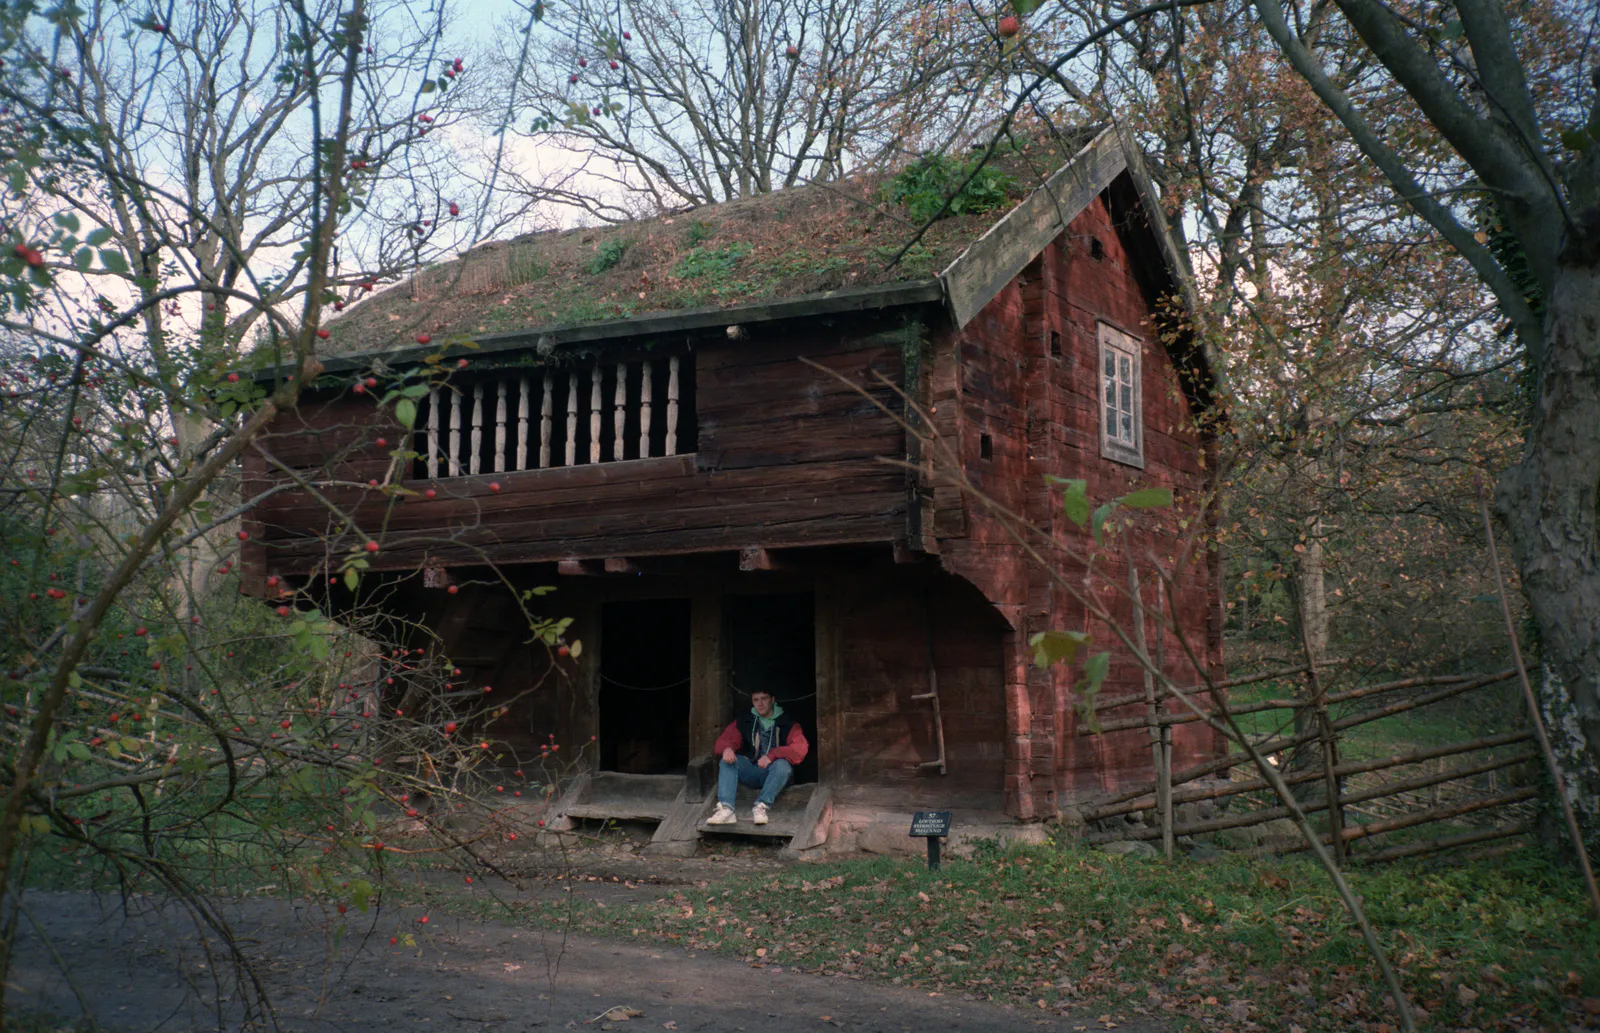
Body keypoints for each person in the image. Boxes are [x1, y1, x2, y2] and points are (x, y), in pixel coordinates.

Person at [706, 690, 808, 825]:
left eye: (764, 699)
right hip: (753, 771)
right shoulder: (746, 720)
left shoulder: (787, 723)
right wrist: (727, 748)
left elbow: (800, 749)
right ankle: (726, 809)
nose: (760, 704)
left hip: (776, 776)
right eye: (756, 700)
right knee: (727, 762)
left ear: (772, 700)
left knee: (782, 764)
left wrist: (772, 755)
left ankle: (761, 806)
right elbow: (725, 739)